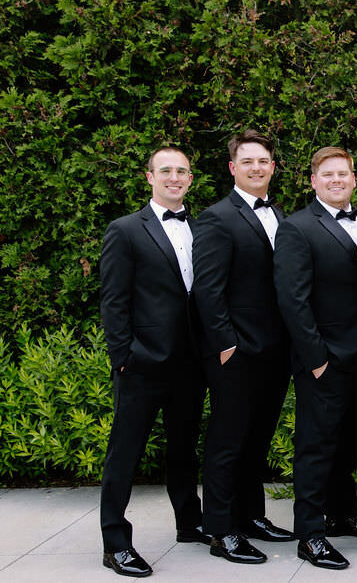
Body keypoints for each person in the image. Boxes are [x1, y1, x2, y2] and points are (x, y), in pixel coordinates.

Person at [98, 147, 207, 577]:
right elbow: (114, 300)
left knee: (183, 450)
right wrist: (123, 356)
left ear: (191, 179)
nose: (174, 177)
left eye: (182, 171)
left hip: (190, 364)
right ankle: (115, 543)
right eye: (166, 171)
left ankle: (189, 522)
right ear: (149, 177)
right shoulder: (125, 230)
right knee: (124, 454)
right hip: (141, 364)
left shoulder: (200, 229)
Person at [193, 129, 294, 564]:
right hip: (236, 353)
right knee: (228, 441)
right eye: (247, 161)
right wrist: (226, 345)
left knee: (257, 439)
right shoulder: (217, 217)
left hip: (275, 350)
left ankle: (252, 516)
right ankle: (221, 530)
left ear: (273, 167)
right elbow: (208, 290)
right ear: (233, 168)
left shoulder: (280, 213)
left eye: (263, 161)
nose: (257, 168)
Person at [273, 147, 357, 570]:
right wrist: (316, 358)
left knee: (349, 441)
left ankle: (344, 513)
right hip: (324, 359)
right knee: (315, 446)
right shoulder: (297, 228)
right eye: (328, 174)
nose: (337, 180)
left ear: (354, 179)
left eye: (344, 174)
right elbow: (292, 300)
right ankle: (310, 534)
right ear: (313, 181)